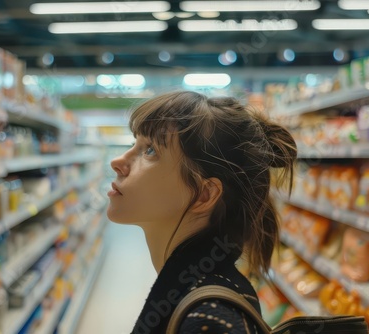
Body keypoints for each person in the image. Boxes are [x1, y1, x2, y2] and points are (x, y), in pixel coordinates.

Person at [107, 90, 297, 334]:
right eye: (135, 143)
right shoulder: (202, 290)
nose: (118, 161)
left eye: (150, 150)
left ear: (204, 194)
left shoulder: (209, 321)